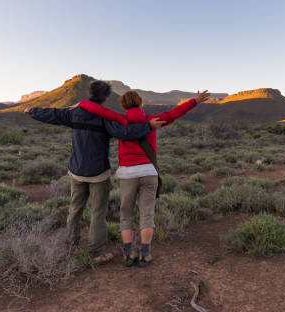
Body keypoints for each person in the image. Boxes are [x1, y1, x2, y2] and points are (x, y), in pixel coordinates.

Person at [24, 81, 165, 265]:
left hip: (76, 170)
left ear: (89, 93)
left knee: (75, 210)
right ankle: (95, 253)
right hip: (98, 172)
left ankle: (71, 247)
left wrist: (30, 111)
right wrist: (148, 127)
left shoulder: (74, 113)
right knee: (98, 213)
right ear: (105, 97)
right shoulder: (104, 119)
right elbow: (125, 132)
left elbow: (52, 114)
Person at [78, 89, 210, 267]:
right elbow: (175, 113)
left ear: (124, 105)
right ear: (141, 103)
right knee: (147, 214)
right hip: (148, 172)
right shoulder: (152, 120)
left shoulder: (120, 119)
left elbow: (99, 110)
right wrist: (195, 101)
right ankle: (145, 254)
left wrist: (81, 104)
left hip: (127, 174)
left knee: (126, 215)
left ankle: (128, 254)